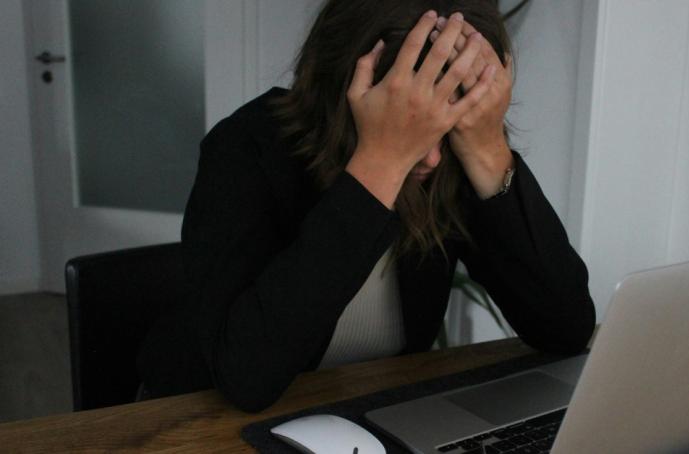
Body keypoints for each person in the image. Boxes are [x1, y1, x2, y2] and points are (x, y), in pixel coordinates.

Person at [137, 0, 595, 413]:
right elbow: (247, 378)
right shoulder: (244, 147)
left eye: (448, 122)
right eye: (410, 120)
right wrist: (380, 164)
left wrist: (488, 149)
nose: (430, 157)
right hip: (197, 419)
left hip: (363, 412)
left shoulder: (453, 157)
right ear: (345, 87)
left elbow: (565, 328)